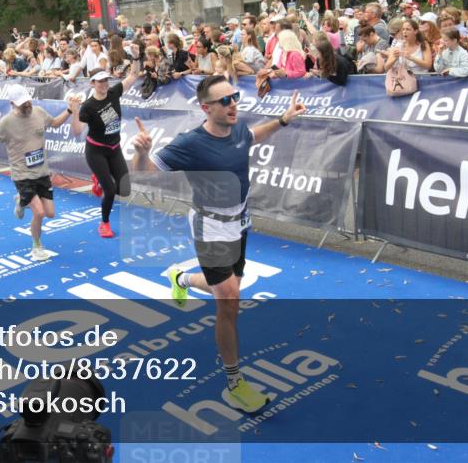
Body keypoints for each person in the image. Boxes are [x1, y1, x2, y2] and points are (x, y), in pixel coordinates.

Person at [130, 77, 307, 413]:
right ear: (205, 108)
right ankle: (234, 381)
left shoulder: (238, 128)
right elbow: (146, 174)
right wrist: (141, 153)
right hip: (210, 227)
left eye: (235, 97)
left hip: (239, 223)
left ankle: (180, 279)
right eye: (224, 101)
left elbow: (255, 136)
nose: (233, 105)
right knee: (229, 300)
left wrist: (283, 120)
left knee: (225, 289)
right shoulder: (190, 143)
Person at [0, 85, 73, 259]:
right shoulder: (6, 123)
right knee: (39, 213)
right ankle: (36, 246)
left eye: (27, 101)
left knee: (50, 213)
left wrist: (70, 110)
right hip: (22, 175)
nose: (27, 105)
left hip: (42, 172)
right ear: (12, 103)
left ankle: (21, 201)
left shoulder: (39, 112)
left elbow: (55, 123)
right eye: (22, 104)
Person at [71, 63, 141, 238]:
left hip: (114, 148)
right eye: (99, 81)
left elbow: (133, 75)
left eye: (105, 80)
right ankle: (104, 223)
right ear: (92, 83)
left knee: (124, 189)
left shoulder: (113, 93)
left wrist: (135, 56)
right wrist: (74, 112)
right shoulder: (88, 106)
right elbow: (78, 131)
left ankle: (100, 179)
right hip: (96, 151)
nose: (104, 84)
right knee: (109, 190)